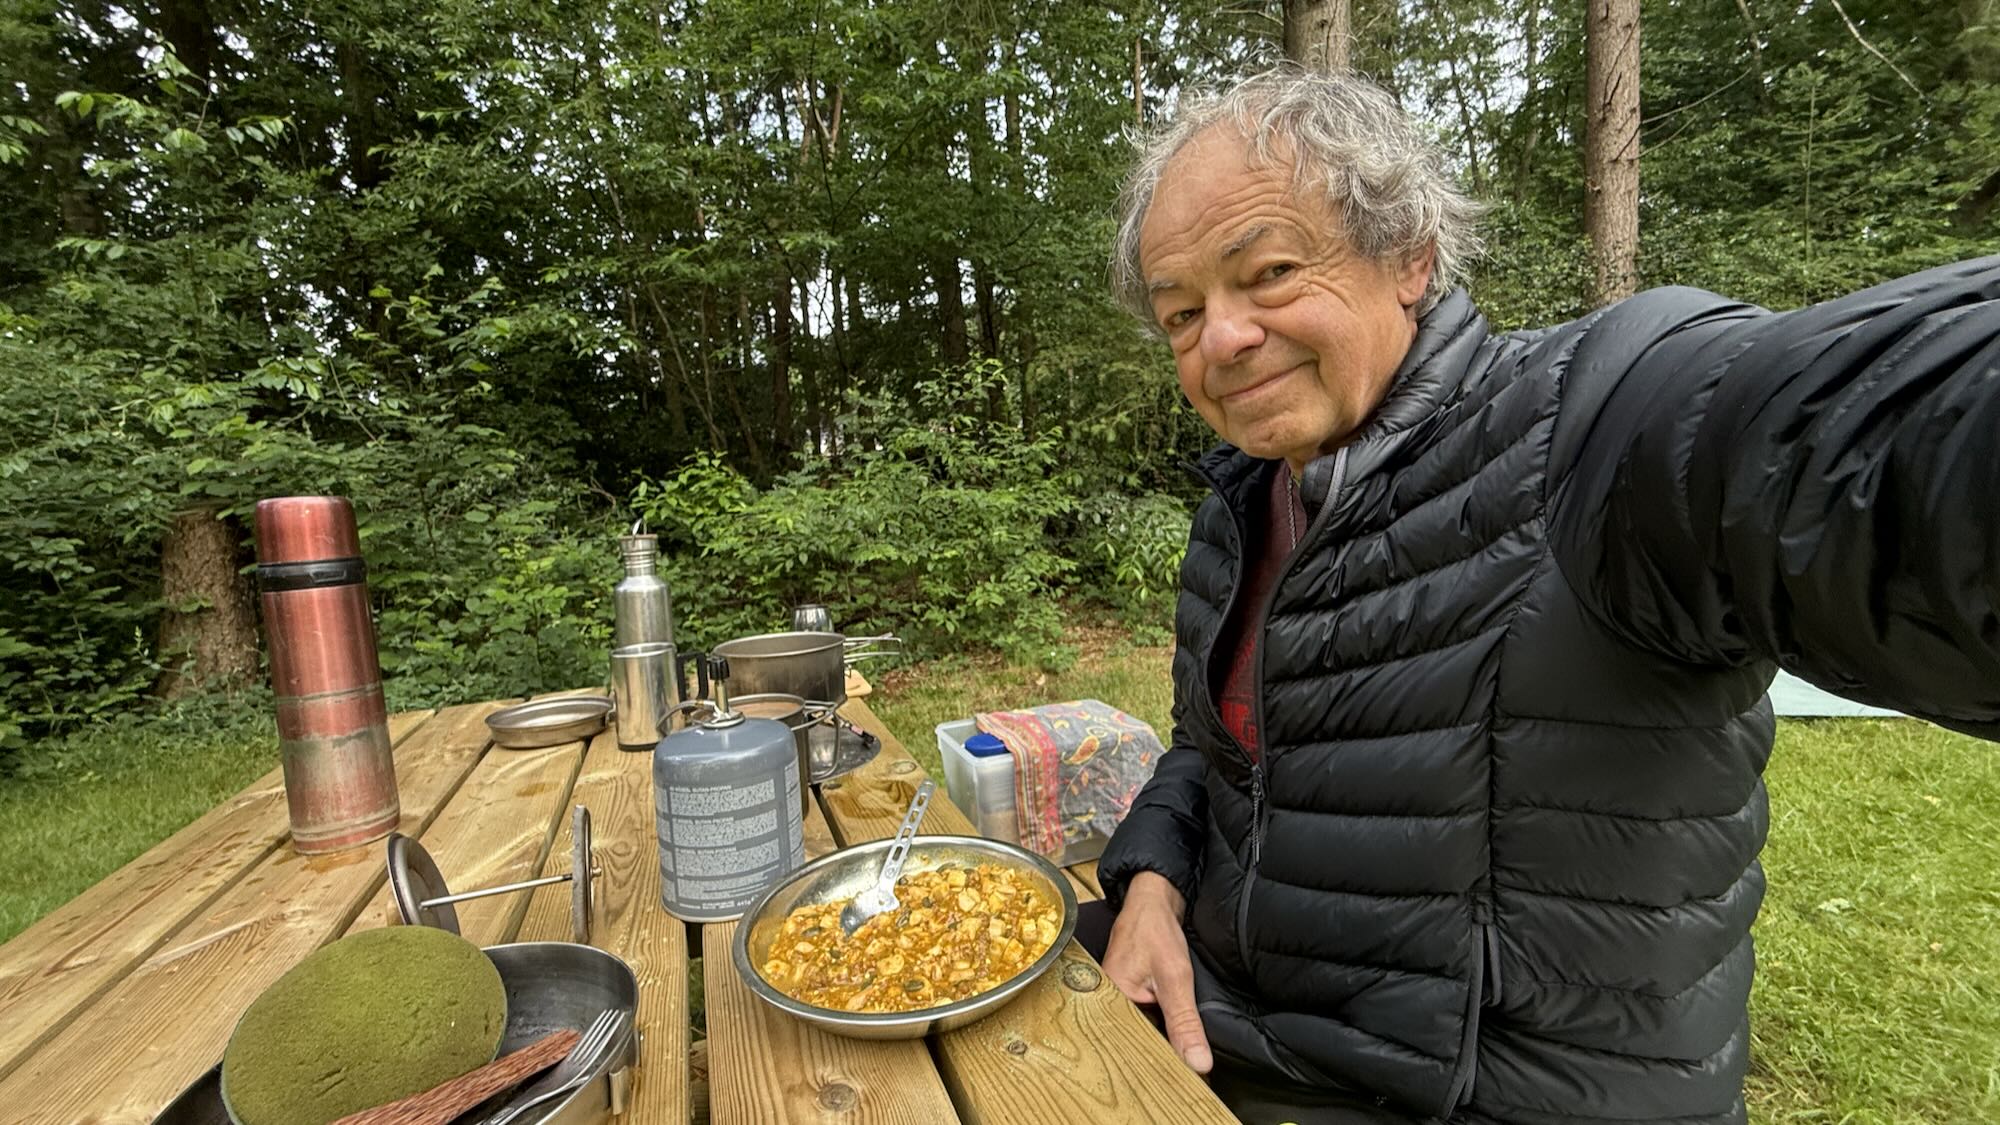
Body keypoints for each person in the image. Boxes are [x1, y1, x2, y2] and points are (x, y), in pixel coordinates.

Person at [1092, 64, 2000, 1125]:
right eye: (1181, 313)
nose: (1220, 338)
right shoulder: (1240, 506)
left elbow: (1837, 431)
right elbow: (1208, 753)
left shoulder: (1586, 430)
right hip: (1246, 1032)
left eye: (1271, 272)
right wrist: (1151, 877)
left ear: (1408, 256)